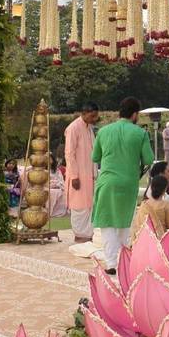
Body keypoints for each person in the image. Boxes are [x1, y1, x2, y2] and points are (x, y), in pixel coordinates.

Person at [91, 97, 155, 274]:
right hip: (128, 183)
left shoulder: (103, 131)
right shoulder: (140, 133)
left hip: (106, 182)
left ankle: (111, 263)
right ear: (135, 114)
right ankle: (122, 260)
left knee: (107, 222)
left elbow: (95, 157)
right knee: (123, 222)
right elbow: (149, 159)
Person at [64, 101, 100, 243]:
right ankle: (80, 234)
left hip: (89, 174)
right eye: (92, 116)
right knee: (79, 205)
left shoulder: (89, 128)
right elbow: (69, 154)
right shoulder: (73, 128)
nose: (94, 119)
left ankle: (87, 235)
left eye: (95, 116)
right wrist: (74, 176)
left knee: (89, 204)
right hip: (78, 175)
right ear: (84, 114)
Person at [131, 174, 169, 241]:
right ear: (165, 189)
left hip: (141, 241)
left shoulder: (144, 204)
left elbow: (138, 225)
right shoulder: (166, 205)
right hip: (158, 242)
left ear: (151, 188)